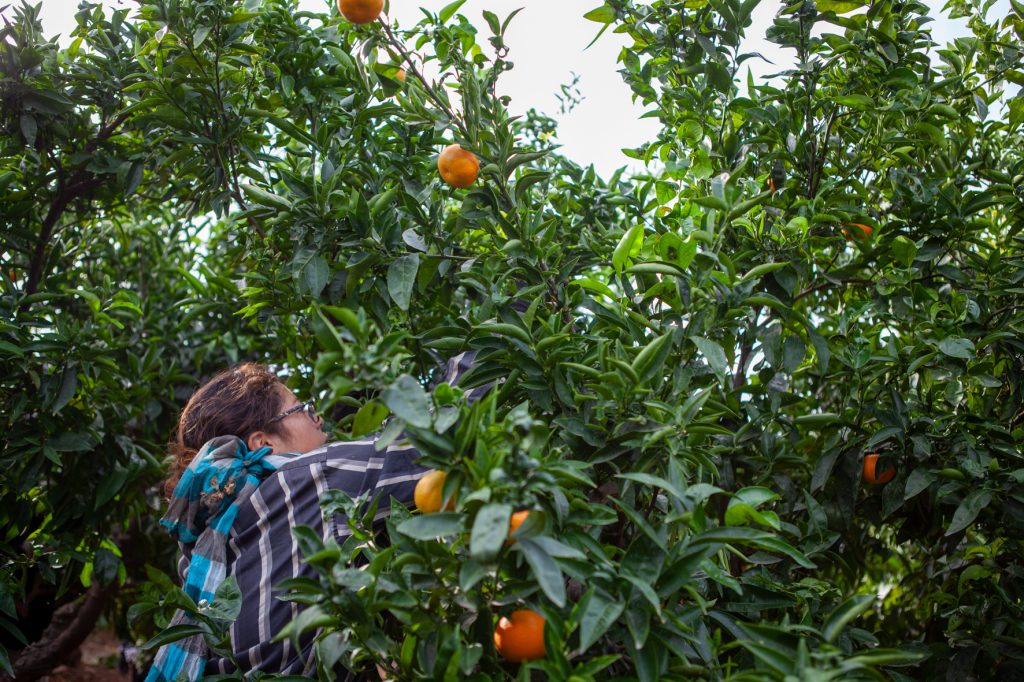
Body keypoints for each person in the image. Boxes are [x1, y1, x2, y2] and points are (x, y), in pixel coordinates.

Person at [146, 352, 480, 681]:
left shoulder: (199, 551)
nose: (317, 419)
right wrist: (496, 331)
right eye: (302, 409)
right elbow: (442, 440)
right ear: (263, 443)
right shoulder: (305, 480)